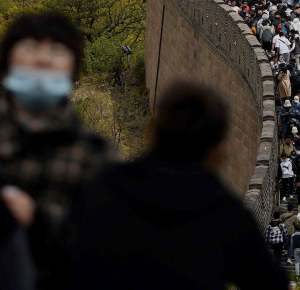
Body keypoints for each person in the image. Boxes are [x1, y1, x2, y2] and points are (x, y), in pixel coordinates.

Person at [68, 82, 288, 290]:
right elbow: (271, 282)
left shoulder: (103, 188)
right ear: (220, 149)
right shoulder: (228, 215)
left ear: (152, 130)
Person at [0, 12, 117, 289]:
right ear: (7, 63)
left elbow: (109, 251)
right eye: (30, 48)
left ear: (74, 69)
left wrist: (39, 220)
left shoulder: (96, 156)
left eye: (57, 51)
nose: (42, 59)